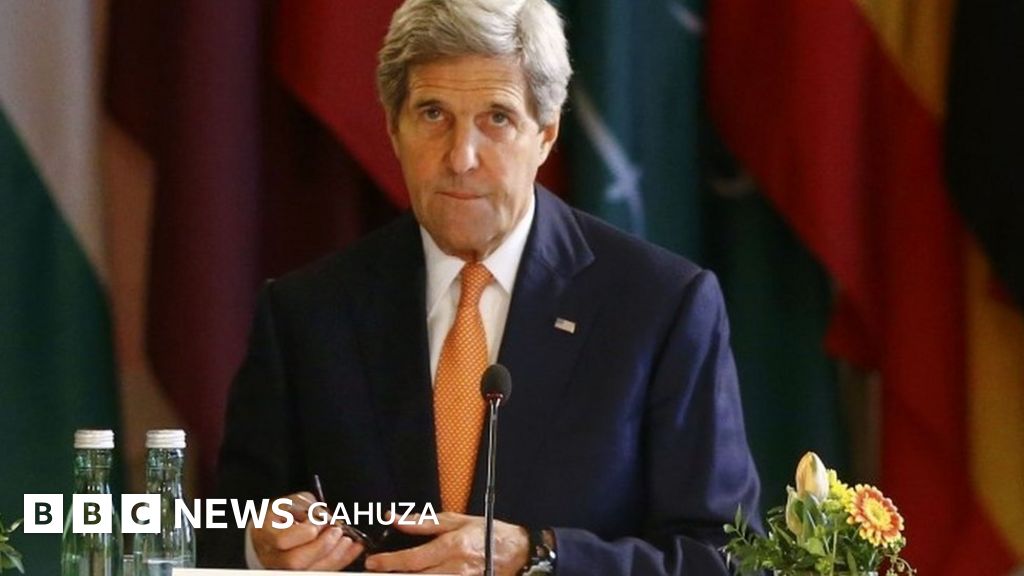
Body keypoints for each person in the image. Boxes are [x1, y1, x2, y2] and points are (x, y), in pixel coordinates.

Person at [201, 0, 761, 574]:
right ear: (393, 129)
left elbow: (728, 557)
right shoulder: (307, 312)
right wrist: (259, 546)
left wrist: (539, 553)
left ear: (545, 134)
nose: (461, 157)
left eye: (497, 117)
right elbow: (219, 526)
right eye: (433, 114)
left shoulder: (659, 306)